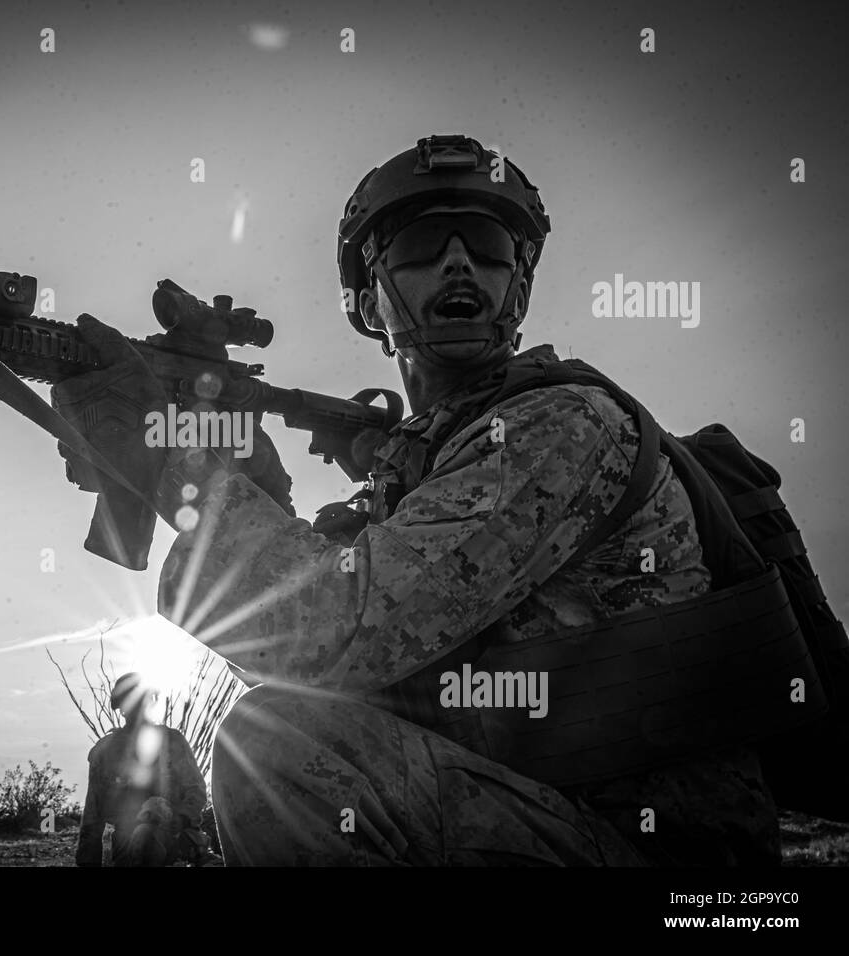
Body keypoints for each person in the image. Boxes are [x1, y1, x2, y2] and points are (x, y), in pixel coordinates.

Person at [51, 134, 787, 866]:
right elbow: (299, 661)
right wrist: (250, 486)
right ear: (370, 301)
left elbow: (342, 634)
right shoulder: (427, 472)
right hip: (545, 813)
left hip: (661, 857)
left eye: (490, 246)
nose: (459, 261)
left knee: (272, 746)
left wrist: (170, 466)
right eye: (424, 244)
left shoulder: (560, 426)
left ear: (520, 288)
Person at [75, 673, 208, 866]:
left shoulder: (172, 741)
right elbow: (93, 813)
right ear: (121, 707)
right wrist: (87, 858)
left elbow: (196, 790)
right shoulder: (104, 751)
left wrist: (179, 817)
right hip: (125, 844)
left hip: (175, 839)